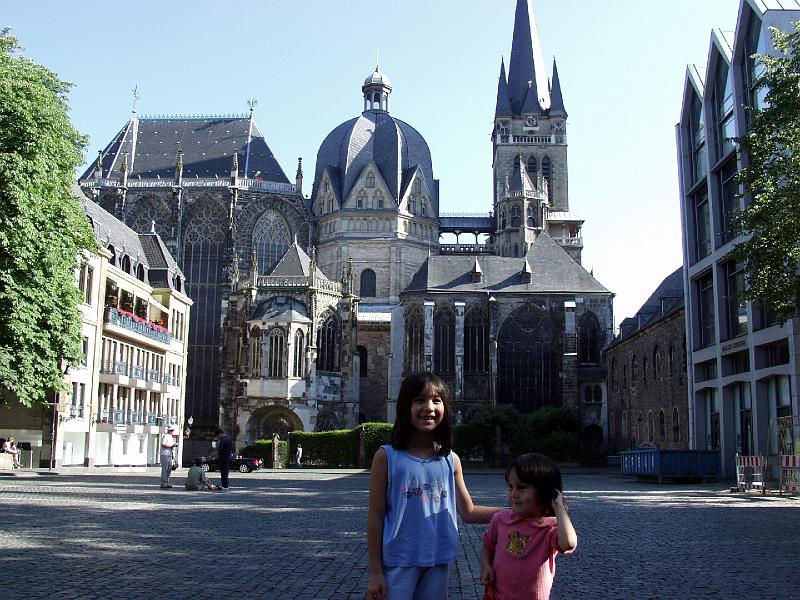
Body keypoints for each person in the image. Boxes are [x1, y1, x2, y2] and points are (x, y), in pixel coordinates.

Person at [367, 372, 501, 600]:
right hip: (398, 562)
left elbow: (468, 512)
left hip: (438, 561)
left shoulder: (451, 460)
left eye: (436, 400)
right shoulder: (386, 457)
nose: (429, 407)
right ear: (405, 407)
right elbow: (376, 516)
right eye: (420, 400)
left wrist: (515, 513)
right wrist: (375, 572)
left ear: (445, 409)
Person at [479, 453, 578, 600]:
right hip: (497, 596)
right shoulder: (501, 519)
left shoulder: (549, 528)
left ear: (545, 492)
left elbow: (568, 544)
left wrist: (559, 508)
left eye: (522, 487)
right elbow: (487, 548)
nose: (513, 494)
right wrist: (486, 566)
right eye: (510, 486)